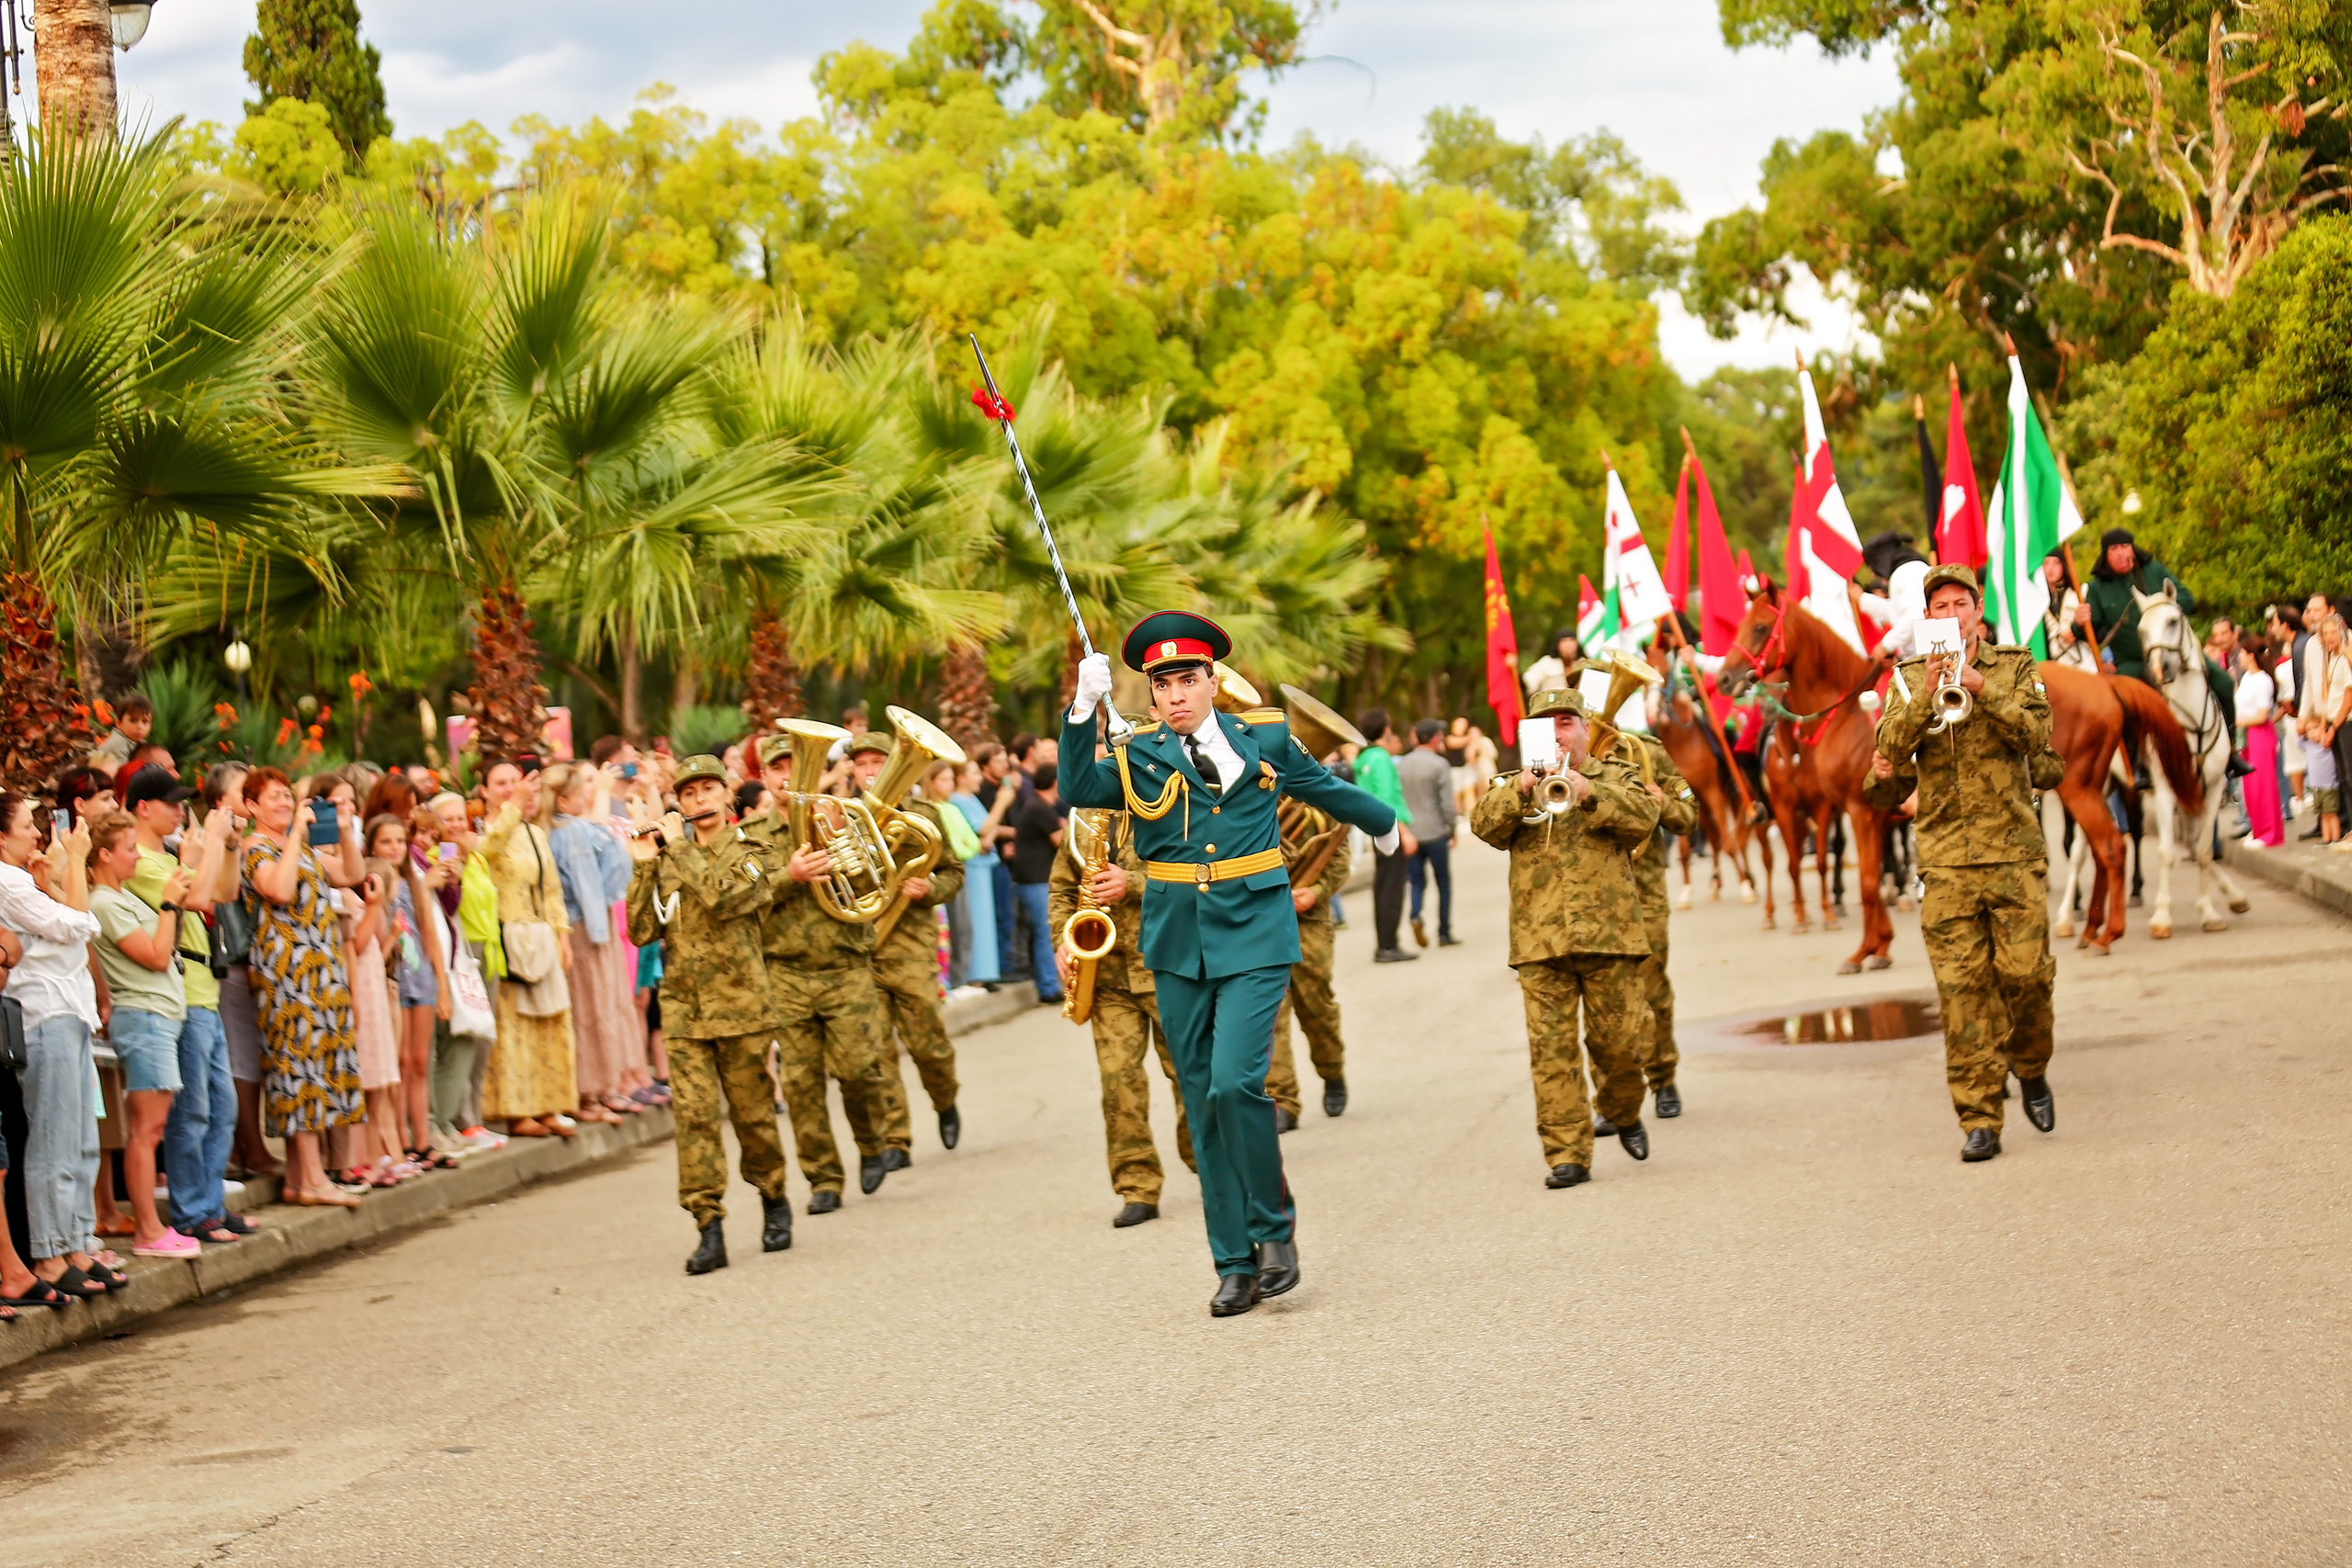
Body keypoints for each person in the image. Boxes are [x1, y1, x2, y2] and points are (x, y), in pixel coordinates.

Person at [1060, 610, 1400, 1317]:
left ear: (1212, 680)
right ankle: (1234, 1261)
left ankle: (1275, 1235)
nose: (1177, 694)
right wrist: (1082, 708)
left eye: (1188, 678)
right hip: (1178, 942)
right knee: (1205, 1103)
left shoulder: (1266, 736)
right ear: (1150, 696)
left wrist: (1383, 820)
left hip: (1255, 930)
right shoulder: (1137, 756)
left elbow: (1319, 786)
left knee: (1238, 1082)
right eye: (1163, 684)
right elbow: (1074, 787)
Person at [1865, 564, 2056, 1162]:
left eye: (1958, 602)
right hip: (1945, 860)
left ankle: (2030, 1063)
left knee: (2027, 978)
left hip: (2013, 853)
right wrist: (1927, 692)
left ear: (1976, 611)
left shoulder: (2017, 664)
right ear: (1928, 619)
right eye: (1938, 605)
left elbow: (2037, 735)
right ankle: (1979, 1117)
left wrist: (1979, 684)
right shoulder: (1904, 679)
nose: (1950, 612)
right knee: (1961, 990)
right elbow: (1889, 752)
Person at [1469, 690, 1660, 1190]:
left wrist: (1585, 789)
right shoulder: (1512, 784)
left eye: (1566, 723)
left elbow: (1644, 819)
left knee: (1620, 1047)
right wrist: (1526, 786)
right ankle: (1567, 1155)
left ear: (1585, 730)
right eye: (1545, 725)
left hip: (1610, 938)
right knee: (1550, 1052)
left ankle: (1622, 1109)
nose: (1557, 733)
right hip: (1540, 942)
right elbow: (1482, 824)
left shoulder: (1617, 776)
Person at [625, 756, 791, 1275]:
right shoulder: (670, 856)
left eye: (708, 791)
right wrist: (644, 864)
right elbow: (641, 931)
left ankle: (773, 1194)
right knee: (694, 1119)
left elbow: (722, 899)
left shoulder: (753, 853)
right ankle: (708, 1225)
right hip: (685, 1012)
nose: (699, 802)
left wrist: (674, 847)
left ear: (726, 797)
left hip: (742, 1009)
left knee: (753, 1117)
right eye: (689, 794)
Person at [744, 735, 892, 1213]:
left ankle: (871, 1144)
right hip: (785, 972)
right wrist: (791, 875)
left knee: (859, 1070)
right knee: (802, 1084)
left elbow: (877, 884)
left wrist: (846, 840)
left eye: (796, 765)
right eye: (778, 768)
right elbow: (745, 897)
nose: (789, 776)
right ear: (764, 778)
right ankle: (823, 1178)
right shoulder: (749, 834)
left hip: (845, 965)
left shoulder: (842, 817)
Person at [1049, 801, 1193, 1227]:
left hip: (1168, 965)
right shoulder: (1082, 822)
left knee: (1189, 1074)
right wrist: (1063, 937)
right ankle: (1137, 1186)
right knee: (1119, 1082)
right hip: (1108, 975)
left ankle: (1206, 1162)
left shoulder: (1174, 809)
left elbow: (1194, 876)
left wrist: (1130, 883)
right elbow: (1060, 890)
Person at [0, 795, 122, 1300]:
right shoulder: (5, 882)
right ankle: (50, 1254)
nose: (38, 833)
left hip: (69, 1013)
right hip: (43, 1017)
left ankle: (75, 1246)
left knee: (77, 1140)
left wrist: (54, 873)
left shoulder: (23, 879)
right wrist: (74, 861)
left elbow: (71, 926)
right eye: (29, 825)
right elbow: (80, 923)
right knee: (52, 1143)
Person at [123, 767, 247, 1244]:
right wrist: (213, 839)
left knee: (222, 1106)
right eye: (171, 803)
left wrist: (229, 845)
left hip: (203, 990)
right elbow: (196, 897)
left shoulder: (172, 853)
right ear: (143, 808)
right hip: (182, 991)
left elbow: (225, 891)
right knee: (193, 1109)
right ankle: (191, 1210)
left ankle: (209, 1204)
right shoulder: (143, 863)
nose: (180, 811)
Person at [841, 731, 967, 1185]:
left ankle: (944, 1098)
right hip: (863, 948)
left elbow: (954, 872)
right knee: (876, 1050)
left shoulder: (923, 816)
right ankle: (896, 1140)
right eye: (862, 763)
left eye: (879, 760)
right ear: (852, 771)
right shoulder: (841, 818)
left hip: (911, 947)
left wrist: (927, 889)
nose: (870, 770)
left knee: (927, 1043)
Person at [239, 768, 367, 1207]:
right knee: (298, 1070)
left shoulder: (303, 848)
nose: (284, 804)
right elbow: (278, 888)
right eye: (273, 798)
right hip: (286, 976)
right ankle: (312, 1179)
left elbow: (352, 873)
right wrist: (294, 835)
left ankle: (300, 1179)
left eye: (286, 797)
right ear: (252, 806)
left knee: (320, 1064)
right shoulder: (255, 848)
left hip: (320, 973)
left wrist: (345, 830)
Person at [1595, 732, 1700, 1131]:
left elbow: (1690, 816)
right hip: (1589, 899)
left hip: (1644, 894)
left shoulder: (1647, 751)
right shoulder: (1555, 756)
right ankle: (1610, 1099)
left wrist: (1663, 801)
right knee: (1602, 1004)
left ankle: (1663, 1080)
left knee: (1653, 990)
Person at [2085, 527, 2244, 771]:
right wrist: (2079, 623)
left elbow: (2188, 599)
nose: (2120, 553)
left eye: (2125, 546)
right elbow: (2091, 635)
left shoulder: (2153, 570)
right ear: (2105, 555)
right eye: (2114, 549)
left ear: (2133, 549)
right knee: (2121, 704)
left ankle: (2230, 748)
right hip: (2133, 660)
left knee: (2223, 682)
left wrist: (2165, 606)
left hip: (2175, 651)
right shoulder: (2097, 587)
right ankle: (2137, 765)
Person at [479, 763, 579, 1139]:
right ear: (485, 791)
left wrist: (562, 937)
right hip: (506, 938)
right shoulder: (486, 830)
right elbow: (486, 853)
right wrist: (512, 808)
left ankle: (549, 1105)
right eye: (500, 783)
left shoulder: (535, 833)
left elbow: (551, 890)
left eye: (513, 782)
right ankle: (517, 1111)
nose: (509, 789)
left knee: (550, 1020)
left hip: (540, 936)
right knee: (514, 1026)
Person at [545, 762, 643, 1125]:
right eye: (581, 790)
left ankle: (601, 1088)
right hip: (586, 927)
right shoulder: (571, 831)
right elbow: (589, 882)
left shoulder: (565, 828)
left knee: (598, 1009)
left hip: (585, 923)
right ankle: (590, 1092)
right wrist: (598, 927)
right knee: (590, 1011)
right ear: (564, 799)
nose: (588, 794)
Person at [375, 811, 456, 1168]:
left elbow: (431, 937)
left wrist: (444, 987)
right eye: (385, 842)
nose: (394, 849)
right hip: (393, 981)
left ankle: (424, 1140)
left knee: (420, 1061)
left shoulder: (414, 881)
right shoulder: (374, 882)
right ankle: (402, 1141)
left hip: (421, 977)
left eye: (398, 842)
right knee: (400, 1062)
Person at [1263, 819, 1351, 1129]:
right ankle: (1282, 1099)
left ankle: (1332, 1071)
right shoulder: (1242, 794)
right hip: (1260, 922)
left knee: (1317, 1009)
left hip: (1308, 922)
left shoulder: (1314, 801)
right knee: (1271, 1014)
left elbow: (1339, 857)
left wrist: (1316, 891)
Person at [1351, 709, 1418, 963]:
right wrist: (1404, 831)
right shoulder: (1381, 758)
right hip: (1390, 828)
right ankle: (1389, 944)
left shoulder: (1363, 758)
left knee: (1382, 886)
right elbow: (1388, 797)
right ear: (1386, 729)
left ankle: (1385, 942)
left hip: (1373, 826)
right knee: (1392, 887)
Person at [1006, 761, 1068, 1003]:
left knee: (1041, 933)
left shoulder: (1039, 805)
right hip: (1035, 881)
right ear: (1055, 783)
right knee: (1046, 933)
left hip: (1032, 880)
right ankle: (1048, 986)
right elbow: (1062, 842)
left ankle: (1048, 982)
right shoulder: (1040, 808)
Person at [1396, 717, 1459, 948]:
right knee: (1443, 882)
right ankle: (1444, 931)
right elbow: (1447, 804)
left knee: (1416, 882)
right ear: (1434, 738)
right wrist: (1452, 829)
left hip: (1411, 832)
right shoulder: (1439, 764)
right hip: (1434, 831)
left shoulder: (1401, 764)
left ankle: (1415, 915)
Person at [946, 759, 1002, 988]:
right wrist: (1002, 802)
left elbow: (987, 833)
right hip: (971, 867)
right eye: (973, 773)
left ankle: (985, 973)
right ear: (961, 778)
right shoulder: (957, 801)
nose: (979, 778)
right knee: (973, 921)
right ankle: (974, 974)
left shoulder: (971, 799)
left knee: (984, 921)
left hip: (983, 865)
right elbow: (983, 829)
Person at [2301, 612, 2351, 846]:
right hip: (2332, 721)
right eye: (2326, 633)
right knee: (2342, 778)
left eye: (2334, 632)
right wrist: (2324, 726)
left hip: (2346, 722)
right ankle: (2347, 828)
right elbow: (2328, 697)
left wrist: (2332, 729)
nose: (2330, 637)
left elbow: (2348, 698)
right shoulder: (2331, 658)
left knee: (2350, 776)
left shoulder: (2347, 657)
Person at [2235, 647, 2284, 848]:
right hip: (2247, 734)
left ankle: (2270, 833)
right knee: (2250, 785)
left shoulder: (2264, 680)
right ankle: (2258, 829)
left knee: (2264, 784)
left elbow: (2263, 715)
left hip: (2260, 733)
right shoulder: (2246, 677)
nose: (2239, 657)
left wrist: (2240, 723)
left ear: (2250, 655)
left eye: (2242, 653)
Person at [90, 694, 154, 773]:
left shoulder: (139, 742)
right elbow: (124, 774)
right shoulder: (118, 743)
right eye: (133, 720)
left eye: (145, 721)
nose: (140, 727)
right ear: (119, 723)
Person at [1521, 629, 1581, 698]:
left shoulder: (1585, 663)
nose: (1569, 645)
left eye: (1572, 640)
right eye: (1564, 641)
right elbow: (1529, 682)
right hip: (1552, 705)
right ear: (1558, 644)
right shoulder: (1547, 663)